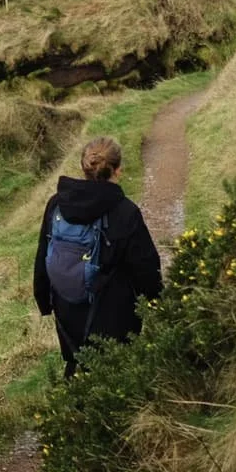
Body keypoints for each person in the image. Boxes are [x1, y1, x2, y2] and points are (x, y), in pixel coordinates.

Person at [32, 135, 163, 378]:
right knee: (118, 372)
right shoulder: (125, 211)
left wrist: (44, 300)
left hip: (67, 306)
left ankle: (73, 410)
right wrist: (156, 303)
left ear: (84, 168)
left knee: (79, 365)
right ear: (117, 170)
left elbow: (44, 252)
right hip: (112, 311)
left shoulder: (57, 204)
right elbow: (145, 267)